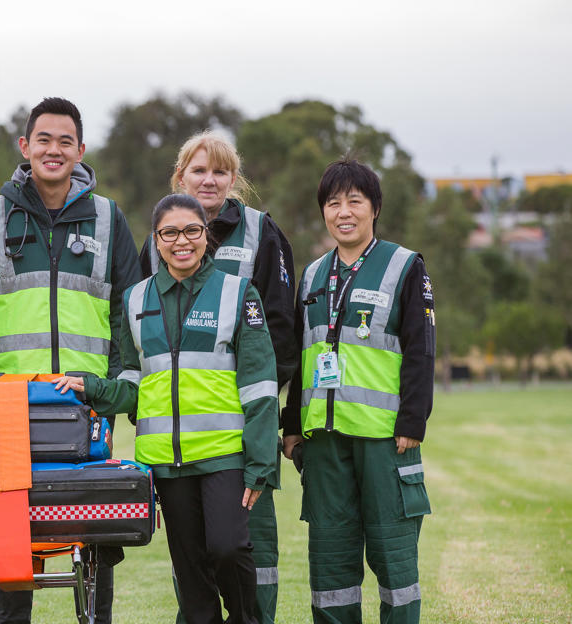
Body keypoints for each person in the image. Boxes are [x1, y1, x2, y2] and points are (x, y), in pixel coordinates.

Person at [0, 96, 141, 624]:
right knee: (13, 529)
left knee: (94, 525)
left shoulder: (108, 219)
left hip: (86, 402)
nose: (53, 150)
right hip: (12, 404)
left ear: (81, 150)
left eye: (65, 141)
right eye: (44, 140)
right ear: (24, 147)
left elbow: (129, 308)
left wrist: (113, 383)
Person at [56, 193, 278, 624]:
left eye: (192, 230)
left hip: (223, 455)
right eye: (170, 232)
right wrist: (92, 388)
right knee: (191, 573)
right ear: (156, 241)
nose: (182, 241)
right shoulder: (136, 299)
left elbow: (261, 385)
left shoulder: (237, 293)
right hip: (165, 463)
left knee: (228, 548)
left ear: (205, 236)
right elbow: (133, 382)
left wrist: (260, 462)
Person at [140, 130, 297, 623]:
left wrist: (250, 403)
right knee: (192, 561)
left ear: (235, 180)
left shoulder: (260, 232)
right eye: (199, 170)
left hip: (241, 430)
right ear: (179, 177)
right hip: (177, 439)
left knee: (241, 546)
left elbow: (281, 331)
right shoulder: (157, 238)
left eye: (221, 171)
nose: (209, 180)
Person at [281, 159, 434, 623]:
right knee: (330, 564)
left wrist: (412, 421)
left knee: (394, 558)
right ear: (323, 212)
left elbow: (421, 350)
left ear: (374, 208)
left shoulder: (405, 265)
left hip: (383, 437)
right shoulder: (310, 276)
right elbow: (301, 356)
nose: (343, 211)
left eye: (354, 201)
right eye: (333, 203)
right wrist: (291, 425)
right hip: (323, 441)